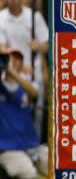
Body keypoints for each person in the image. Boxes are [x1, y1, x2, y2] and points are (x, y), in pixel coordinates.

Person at [0, 48, 47, 178]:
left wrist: (13, 73)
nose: (14, 61)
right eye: (11, 58)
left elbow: (34, 92)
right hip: (6, 147)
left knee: (57, 164)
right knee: (29, 173)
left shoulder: (28, 83)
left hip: (31, 143)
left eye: (18, 58)